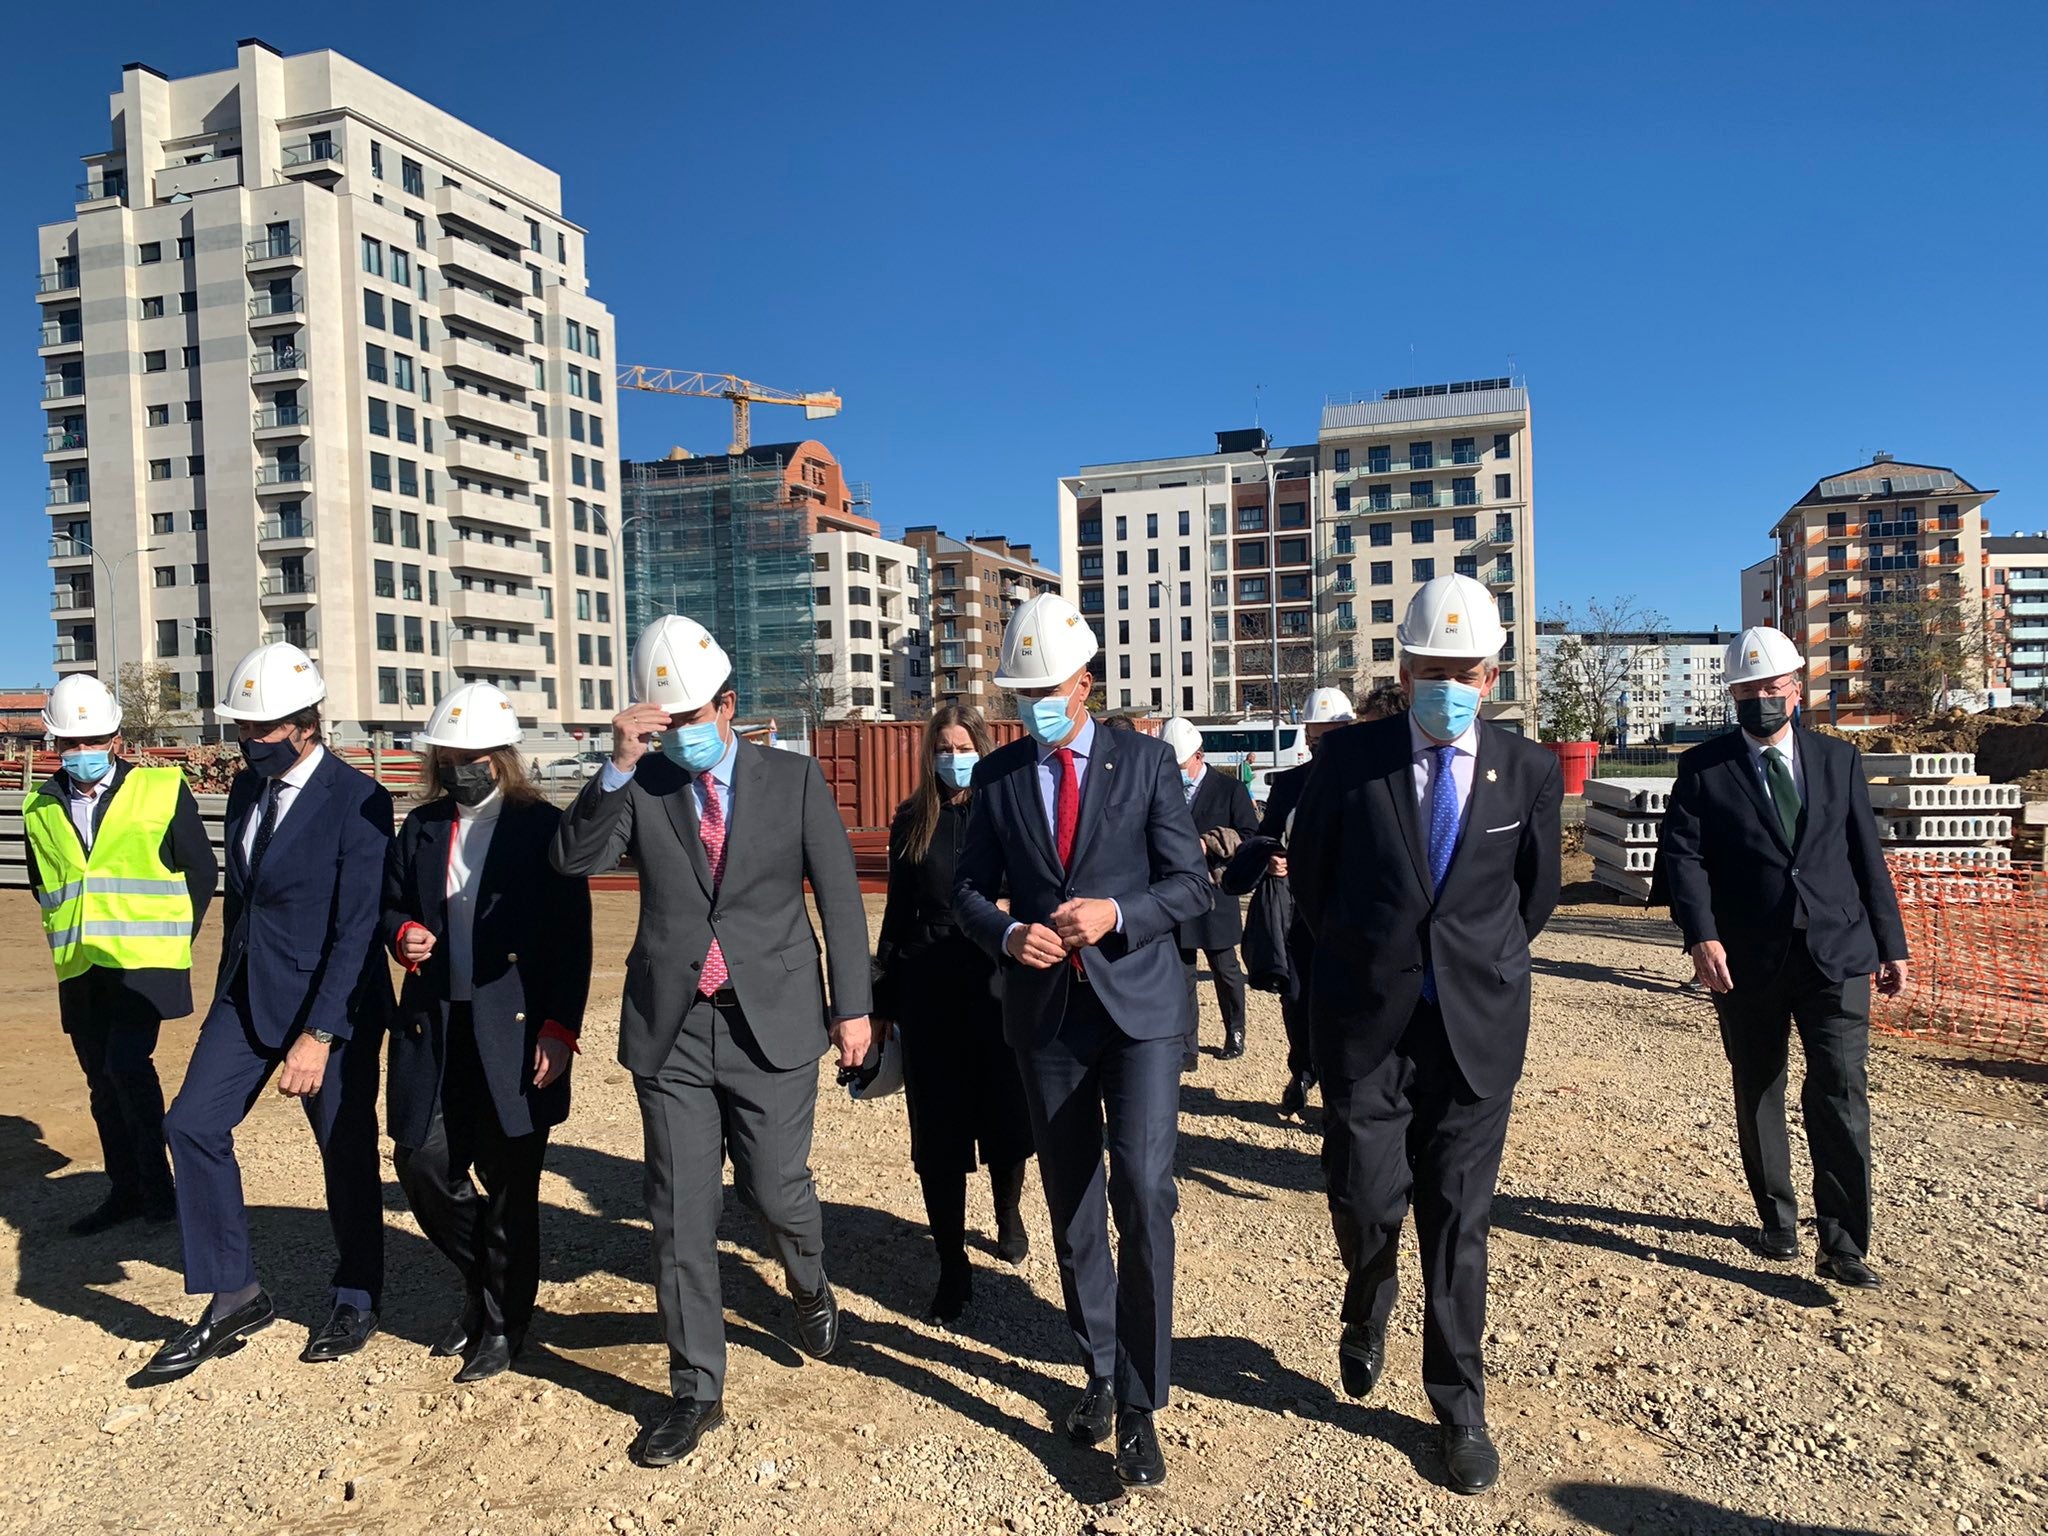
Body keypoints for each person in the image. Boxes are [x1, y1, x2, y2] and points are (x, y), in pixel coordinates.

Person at [551, 615, 873, 1469]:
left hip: (774, 1018)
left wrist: (855, 1009)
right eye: (666, 721)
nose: (680, 735)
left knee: (777, 1190)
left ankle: (807, 1282)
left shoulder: (794, 780)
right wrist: (617, 763)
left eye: (692, 718)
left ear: (729, 708)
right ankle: (696, 1388)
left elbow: (839, 897)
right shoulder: (644, 784)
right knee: (679, 1213)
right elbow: (574, 861)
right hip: (674, 1026)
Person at [1291, 575, 1562, 1495]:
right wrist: (1375, 965)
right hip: (1369, 1025)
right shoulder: (1347, 765)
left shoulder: (1523, 771)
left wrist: (1469, 964)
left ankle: (1458, 1409)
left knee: (1459, 1221)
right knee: (1366, 1197)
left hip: (1475, 1030)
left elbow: (1535, 897)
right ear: (1405, 671)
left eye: (1466, 672)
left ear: (1493, 677)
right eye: (1431, 670)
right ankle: (1367, 1297)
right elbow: (1316, 894)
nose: (1447, 686)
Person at [954, 594, 1210, 1490]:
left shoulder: (1145, 765)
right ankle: (1100, 1368)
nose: (1032, 703)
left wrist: (1117, 914)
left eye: (1047, 687)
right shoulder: (996, 780)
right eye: (1019, 690)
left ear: (1084, 683)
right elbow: (966, 889)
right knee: (1072, 1205)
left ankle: (1141, 1403)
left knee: (1141, 1191)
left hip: (1139, 1011)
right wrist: (1002, 933)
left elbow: (1191, 888)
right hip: (1045, 1018)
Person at [145, 644, 394, 1383]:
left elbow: (356, 928)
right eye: (243, 730)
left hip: (332, 1005)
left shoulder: (358, 800)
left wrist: (319, 1034)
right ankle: (236, 1293)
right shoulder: (252, 792)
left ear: (307, 724)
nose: (250, 743)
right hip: (249, 993)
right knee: (190, 1123)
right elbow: (247, 900)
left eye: (264, 730)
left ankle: (356, 1293)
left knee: (343, 1152)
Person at [1654, 626, 1907, 1289]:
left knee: (1841, 1092)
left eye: (1772, 686)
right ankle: (1777, 1220)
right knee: (1759, 1085)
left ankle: (1845, 1244)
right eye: (1748, 689)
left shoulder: (1838, 760)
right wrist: (1701, 935)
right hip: (1745, 961)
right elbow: (1682, 862)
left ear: (1796, 689)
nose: (1761, 698)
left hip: (1837, 953)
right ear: (1732, 695)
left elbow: (1865, 857)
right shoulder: (1703, 769)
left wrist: (1892, 943)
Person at [381, 683, 593, 1383]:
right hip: (435, 1026)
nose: (461, 766)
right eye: (450, 757)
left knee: (510, 1184)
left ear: (503, 757)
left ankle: (505, 1322)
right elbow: (391, 906)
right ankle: (487, 1281)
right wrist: (402, 934)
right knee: (422, 1163)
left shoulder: (543, 829)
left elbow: (572, 941)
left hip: (515, 1029)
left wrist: (561, 1029)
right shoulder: (419, 828)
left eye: (474, 756)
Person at [22, 674, 216, 1235]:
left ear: (115, 738)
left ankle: (159, 1191)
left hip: (142, 963)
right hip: (81, 964)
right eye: (70, 743)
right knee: (100, 1080)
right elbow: (44, 882)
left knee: (126, 1066)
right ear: (54, 744)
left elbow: (200, 870)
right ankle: (124, 1190)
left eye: (94, 740)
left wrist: (174, 937)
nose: (82, 752)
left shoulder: (158, 790)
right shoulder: (39, 804)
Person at [873, 704, 1034, 1323]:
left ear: (983, 747)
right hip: (930, 988)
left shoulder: (1008, 808)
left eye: (962, 743)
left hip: (997, 982)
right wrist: (883, 1001)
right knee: (938, 1135)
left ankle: (1008, 1209)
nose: (951, 755)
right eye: (942, 745)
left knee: (1006, 1117)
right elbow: (896, 912)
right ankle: (951, 1265)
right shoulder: (914, 820)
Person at [1246, 686, 1371, 1119]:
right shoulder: (1293, 783)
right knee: (1297, 994)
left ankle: (1343, 1082)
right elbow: (1266, 833)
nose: (1321, 747)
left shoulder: (1370, 782)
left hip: (1355, 911)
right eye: (1315, 739)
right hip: (1301, 911)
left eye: (1330, 737)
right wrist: (1273, 856)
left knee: (1348, 998)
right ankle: (1302, 1069)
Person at [1159, 718, 1259, 1066]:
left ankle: (1235, 1031)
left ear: (1198, 756)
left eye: (1181, 765)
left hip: (1215, 891)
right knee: (1183, 972)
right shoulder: (1164, 788)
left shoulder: (1229, 790)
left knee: (1224, 967)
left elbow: (1250, 834)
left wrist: (1213, 842)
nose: (1176, 772)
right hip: (1176, 890)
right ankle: (1188, 1044)